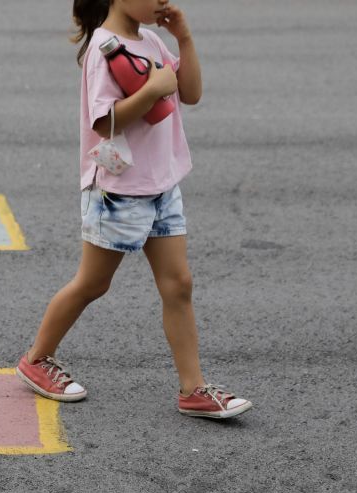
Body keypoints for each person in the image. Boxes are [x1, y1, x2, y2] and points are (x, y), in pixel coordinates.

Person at [15, 0, 252, 419]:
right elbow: (104, 123)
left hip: (162, 185)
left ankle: (193, 389)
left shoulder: (151, 41)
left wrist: (184, 38)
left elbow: (191, 93)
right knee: (92, 284)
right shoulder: (103, 48)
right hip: (119, 192)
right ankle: (36, 359)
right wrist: (153, 90)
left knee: (178, 284)